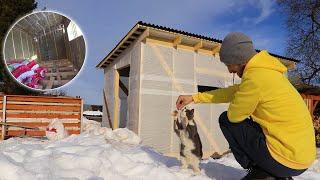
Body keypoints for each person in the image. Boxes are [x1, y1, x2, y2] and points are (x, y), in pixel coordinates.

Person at [175, 32, 316, 180]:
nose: (230, 70)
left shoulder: (255, 79)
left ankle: (261, 171)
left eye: (229, 64)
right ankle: (270, 170)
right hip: (301, 157)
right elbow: (233, 91)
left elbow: (234, 116)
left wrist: (243, 101)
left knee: (227, 120)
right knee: (249, 123)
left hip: (287, 160)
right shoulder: (266, 72)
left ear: (239, 59)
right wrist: (194, 98)